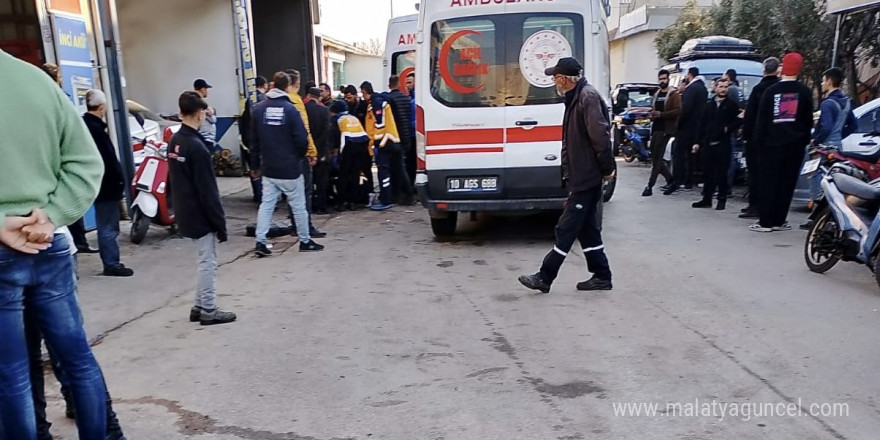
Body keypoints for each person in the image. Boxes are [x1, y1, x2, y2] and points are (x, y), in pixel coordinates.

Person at [0, 48, 110, 440]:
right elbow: (86, 163)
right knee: (77, 358)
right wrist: (53, 214)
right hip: (49, 243)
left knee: (11, 372)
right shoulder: (37, 82)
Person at [519, 57, 615, 293]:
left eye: (555, 78)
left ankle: (545, 276)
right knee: (587, 229)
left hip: (586, 176)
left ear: (563, 79)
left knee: (567, 228)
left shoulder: (587, 97)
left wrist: (607, 169)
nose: (554, 82)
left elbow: (600, 137)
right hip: (581, 175)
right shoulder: (577, 98)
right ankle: (602, 275)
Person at [166, 91, 237, 326]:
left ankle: (198, 306)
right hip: (199, 212)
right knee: (208, 262)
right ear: (198, 114)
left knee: (203, 259)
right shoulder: (197, 147)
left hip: (184, 209)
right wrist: (219, 222)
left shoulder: (175, 142)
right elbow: (208, 191)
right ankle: (208, 309)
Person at [250, 72, 324, 255]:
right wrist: (299, 156)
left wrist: (255, 166)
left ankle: (260, 241)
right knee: (299, 206)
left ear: (274, 84)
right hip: (290, 168)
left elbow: (253, 141)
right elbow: (301, 138)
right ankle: (305, 240)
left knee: (266, 205)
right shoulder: (291, 109)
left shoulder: (259, 109)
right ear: (288, 87)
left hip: (269, 168)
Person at [751, 52, 814, 232]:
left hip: (770, 145)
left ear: (783, 68)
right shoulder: (804, 92)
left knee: (768, 183)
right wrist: (803, 141)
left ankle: (765, 222)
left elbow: (761, 120)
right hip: (794, 146)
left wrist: (758, 142)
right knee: (786, 183)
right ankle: (779, 220)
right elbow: (807, 120)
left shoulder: (771, 91)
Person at [83, 89, 133, 277]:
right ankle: (112, 263)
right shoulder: (96, 130)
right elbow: (107, 160)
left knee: (105, 224)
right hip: (106, 185)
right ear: (102, 107)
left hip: (94, 184)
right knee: (108, 226)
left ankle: (110, 261)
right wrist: (118, 180)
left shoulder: (84, 126)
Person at [739, 57, 781, 219]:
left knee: (755, 174)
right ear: (777, 70)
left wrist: (746, 135)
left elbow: (750, 115)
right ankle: (769, 206)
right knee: (771, 175)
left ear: (764, 71)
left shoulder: (758, 89)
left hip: (757, 139)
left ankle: (754, 205)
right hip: (776, 139)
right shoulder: (779, 88)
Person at [284, 70, 324, 238]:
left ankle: (295, 224)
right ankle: (305, 227)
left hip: (283, 154)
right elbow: (304, 129)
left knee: (290, 193)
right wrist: (312, 152)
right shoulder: (296, 101)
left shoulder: (277, 102)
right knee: (304, 192)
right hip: (299, 154)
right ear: (297, 83)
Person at [691, 79, 742, 210]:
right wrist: (697, 141)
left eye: (726, 87)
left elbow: (738, 120)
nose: (723, 89)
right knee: (707, 172)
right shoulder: (710, 104)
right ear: (715, 88)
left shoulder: (731, 104)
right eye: (721, 86)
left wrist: (727, 129)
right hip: (708, 143)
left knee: (722, 173)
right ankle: (706, 199)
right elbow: (701, 124)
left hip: (723, 143)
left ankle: (721, 200)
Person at [665, 67, 707, 195]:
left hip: (686, 128)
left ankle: (679, 180)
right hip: (698, 127)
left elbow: (685, 110)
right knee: (692, 155)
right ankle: (689, 180)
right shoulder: (703, 89)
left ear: (689, 75)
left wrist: (677, 124)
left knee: (679, 154)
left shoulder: (691, 89)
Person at [362, 81, 402, 210]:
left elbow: (380, 125)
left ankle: (386, 199)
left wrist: (376, 144)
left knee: (383, 172)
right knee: (389, 171)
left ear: (365, 92)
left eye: (363, 93)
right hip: (389, 142)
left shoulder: (376, 103)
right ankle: (389, 196)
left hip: (384, 143)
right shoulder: (377, 102)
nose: (362, 97)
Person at [642, 69, 680, 196]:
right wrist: (652, 114)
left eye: (664, 79)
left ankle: (649, 186)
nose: (662, 81)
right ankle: (672, 181)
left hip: (666, 129)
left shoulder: (673, 94)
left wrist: (662, 114)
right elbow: (654, 109)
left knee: (658, 158)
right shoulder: (657, 93)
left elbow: (678, 111)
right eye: (660, 79)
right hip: (656, 128)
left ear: (668, 79)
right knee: (654, 157)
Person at [329, 100, 372, 210]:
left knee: (343, 174)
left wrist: (335, 154)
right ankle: (353, 201)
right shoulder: (352, 117)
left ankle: (341, 202)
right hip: (362, 144)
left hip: (349, 145)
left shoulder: (337, 119)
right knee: (355, 173)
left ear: (335, 111)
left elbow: (335, 137)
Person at [385, 75, 416, 205]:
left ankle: (407, 194)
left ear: (389, 86)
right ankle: (403, 193)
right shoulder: (406, 99)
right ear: (399, 84)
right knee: (404, 165)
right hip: (407, 135)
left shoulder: (389, 99)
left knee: (398, 167)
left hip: (395, 137)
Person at [306, 87, 333, 214]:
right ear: (319, 97)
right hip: (322, 150)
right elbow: (326, 131)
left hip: (307, 150)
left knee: (307, 181)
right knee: (322, 180)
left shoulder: (303, 110)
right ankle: (322, 205)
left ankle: (308, 205)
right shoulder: (324, 110)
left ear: (308, 96)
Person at [194, 78, 218, 151]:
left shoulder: (194, 101)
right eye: (206, 89)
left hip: (201, 139)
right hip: (205, 139)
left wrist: (213, 110)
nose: (207, 91)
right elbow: (213, 119)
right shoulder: (200, 103)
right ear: (202, 89)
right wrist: (212, 112)